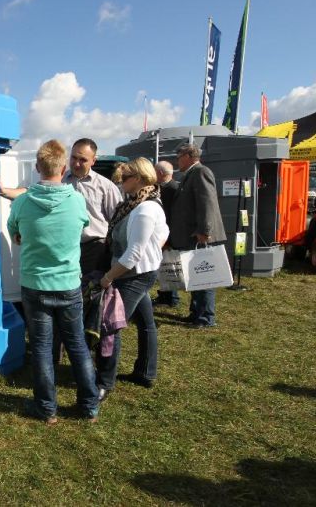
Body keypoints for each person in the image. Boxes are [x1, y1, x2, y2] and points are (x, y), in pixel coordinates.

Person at [7, 140, 99, 424]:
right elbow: (84, 226)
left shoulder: (22, 202)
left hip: (35, 286)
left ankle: (47, 409)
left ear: (37, 168)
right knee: (77, 346)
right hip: (69, 284)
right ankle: (89, 406)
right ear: (63, 167)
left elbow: (15, 234)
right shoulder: (76, 200)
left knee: (42, 348)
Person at [97, 158, 169, 398]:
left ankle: (104, 383)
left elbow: (133, 255)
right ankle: (146, 372)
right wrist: (154, 249)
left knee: (110, 326)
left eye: (125, 177)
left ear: (138, 179)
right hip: (140, 272)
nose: (120, 181)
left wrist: (107, 277)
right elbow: (163, 232)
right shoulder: (141, 202)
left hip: (134, 275)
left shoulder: (145, 209)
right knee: (146, 323)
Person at [0, 138, 123, 276]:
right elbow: (31, 192)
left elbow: (118, 221)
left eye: (83, 160)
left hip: (93, 249)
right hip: (64, 248)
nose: (76, 163)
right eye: (74, 157)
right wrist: (4, 191)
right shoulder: (59, 178)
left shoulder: (106, 187)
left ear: (93, 161)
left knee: (89, 292)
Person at [168, 144, 227, 328]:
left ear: (188, 156)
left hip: (200, 236)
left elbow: (207, 203)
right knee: (195, 276)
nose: (177, 161)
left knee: (204, 276)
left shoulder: (201, 172)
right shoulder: (191, 174)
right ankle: (196, 312)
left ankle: (205, 317)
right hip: (192, 236)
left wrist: (205, 231)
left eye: (179, 156)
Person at [153, 160, 180, 307]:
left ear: (161, 173)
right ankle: (166, 296)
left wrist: (168, 237)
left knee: (170, 265)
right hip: (165, 233)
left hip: (168, 234)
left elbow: (173, 215)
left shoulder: (172, 189)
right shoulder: (167, 187)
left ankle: (171, 297)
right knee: (165, 265)